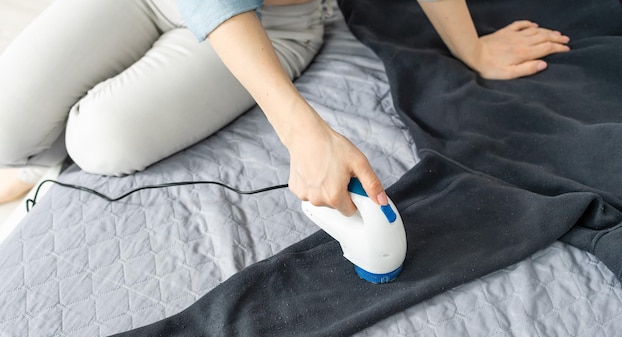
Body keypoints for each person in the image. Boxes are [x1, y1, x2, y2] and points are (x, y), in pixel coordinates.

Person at [0, 0, 569, 215]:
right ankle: (31, 159)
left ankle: (47, 161)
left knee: (100, 143)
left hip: (272, 21)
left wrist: (470, 46)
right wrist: (304, 135)